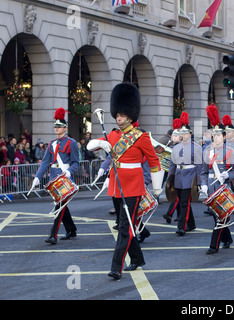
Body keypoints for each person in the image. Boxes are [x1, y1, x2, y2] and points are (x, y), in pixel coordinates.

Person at [87, 82, 163, 280]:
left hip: (133, 186)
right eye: (117, 115)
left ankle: (116, 267)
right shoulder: (112, 135)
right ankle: (137, 259)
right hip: (116, 184)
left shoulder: (141, 137)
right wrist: (101, 143)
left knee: (124, 228)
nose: (118, 118)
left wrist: (156, 188)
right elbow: (90, 147)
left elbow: (154, 162)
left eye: (121, 116)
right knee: (127, 224)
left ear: (130, 116)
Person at [31, 108, 80, 245]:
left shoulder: (71, 143)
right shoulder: (52, 144)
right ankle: (72, 229)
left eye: (59, 126)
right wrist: (37, 177)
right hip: (54, 178)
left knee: (59, 205)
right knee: (62, 205)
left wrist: (70, 171)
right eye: (55, 126)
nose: (56, 128)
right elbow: (45, 163)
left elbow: (76, 162)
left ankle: (53, 235)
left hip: (65, 178)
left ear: (65, 128)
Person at [201, 104, 234, 254]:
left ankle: (213, 246)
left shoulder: (230, 152)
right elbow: (204, 173)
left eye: (218, 135)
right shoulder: (207, 152)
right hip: (211, 187)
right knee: (218, 217)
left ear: (224, 136)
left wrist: (227, 175)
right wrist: (203, 184)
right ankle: (227, 238)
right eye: (213, 135)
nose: (215, 137)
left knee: (220, 218)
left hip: (223, 188)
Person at [167, 111, 202, 236]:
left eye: (185, 133)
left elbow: (199, 166)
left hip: (190, 176)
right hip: (178, 176)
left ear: (190, 134)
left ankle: (182, 226)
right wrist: (170, 180)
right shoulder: (175, 147)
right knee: (183, 201)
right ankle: (191, 223)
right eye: (181, 133)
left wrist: (199, 182)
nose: (183, 135)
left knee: (184, 203)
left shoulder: (196, 147)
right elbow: (172, 165)